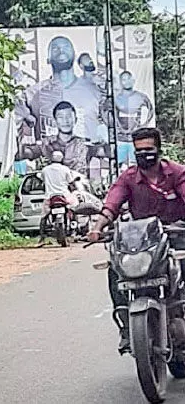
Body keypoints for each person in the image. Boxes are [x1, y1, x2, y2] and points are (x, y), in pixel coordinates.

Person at [88, 127, 185, 353]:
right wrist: (97, 227)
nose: (144, 154)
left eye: (148, 149)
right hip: (143, 240)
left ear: (158, 150)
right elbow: (111, 204)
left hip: (176, 234)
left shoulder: (176, 173)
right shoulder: (129, 177)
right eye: (139, 151)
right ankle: (126, 326)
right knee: (115, 270)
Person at [14, 36, 107, 143]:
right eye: (55, 48)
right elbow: (17, 121)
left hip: (87, 155)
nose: (61, 50)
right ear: (48, 59)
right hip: (50, 157)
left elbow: (111, 123)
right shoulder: (32, 93)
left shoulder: (95, 90)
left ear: (75, 55)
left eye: (66, 47)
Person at [19, 101, 88, 174]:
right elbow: (23, 154)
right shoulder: (46, 143)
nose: (65, 121)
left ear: (76, 120)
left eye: (69, 116)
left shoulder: (85, 145)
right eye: (61, 117)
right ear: (55, 121)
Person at [38, 151, 79, 245]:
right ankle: (74, 230)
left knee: (43, 216)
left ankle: (42, 238)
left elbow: (42, 180)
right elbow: (70, 181)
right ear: (61, 158)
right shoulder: (65, 169)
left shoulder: (45, 169)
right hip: (64, 195)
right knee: (75, 208)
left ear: (52, 158)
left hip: (49, 196)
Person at [115, 70, 154, 165]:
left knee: (137, 164)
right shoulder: (115, 98)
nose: (126, 82)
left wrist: (144, 125)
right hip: (120, 139)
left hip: (135, 138)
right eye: (124, 79)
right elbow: (105, 111)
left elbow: (151, 110)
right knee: (118, 165)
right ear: (120, 82)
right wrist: (115, 126)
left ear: (133, 81)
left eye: (128, 79)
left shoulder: (141, 97)